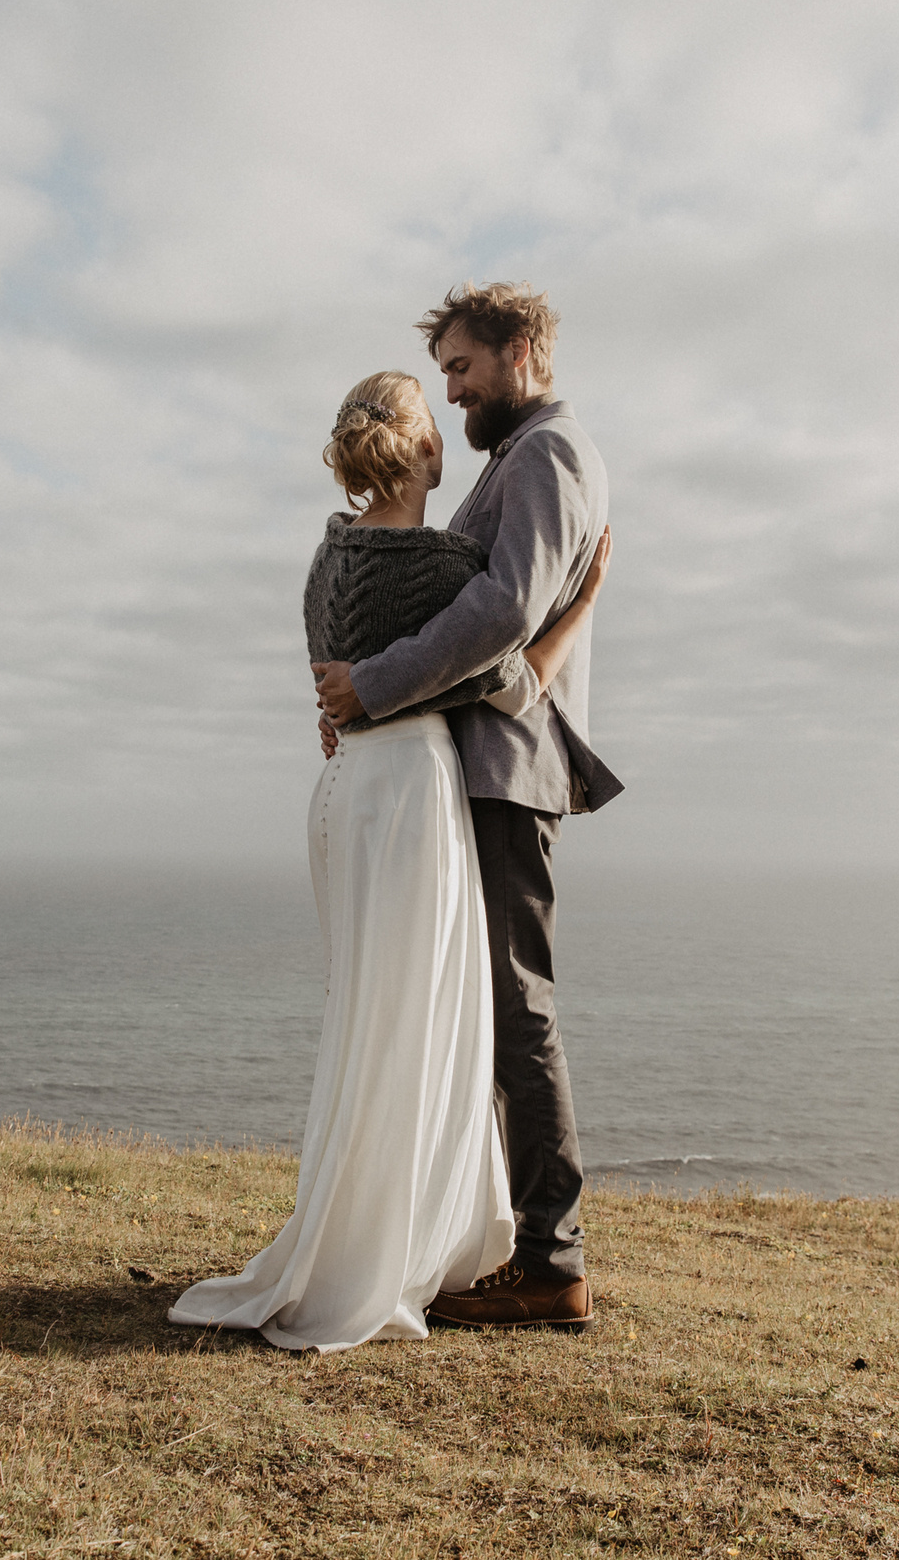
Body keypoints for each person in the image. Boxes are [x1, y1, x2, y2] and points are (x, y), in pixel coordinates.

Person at [166, 370, 610, 1353]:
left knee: (363, 1021)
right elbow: (516, 680)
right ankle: (390, 1250)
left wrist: (354, 696)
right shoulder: (443, 566)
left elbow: (332, 683)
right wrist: (583, 603)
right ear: (426, 451)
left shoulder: (326, 558)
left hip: (341, 798)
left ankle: (349, 1230)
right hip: (410, 795)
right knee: (418, 1026)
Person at [313, 283, 619, 1330]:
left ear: (518, 348)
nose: (450, 390)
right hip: (470, 763)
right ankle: (478, 1239)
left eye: (460, 367)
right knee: (477, 1010)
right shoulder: (513, 459)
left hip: (504, 768)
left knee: (516, 1009)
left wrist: (372, 686)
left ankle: (553, 1261)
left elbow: (500, 608)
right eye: (441, 372)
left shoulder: (547, 453)